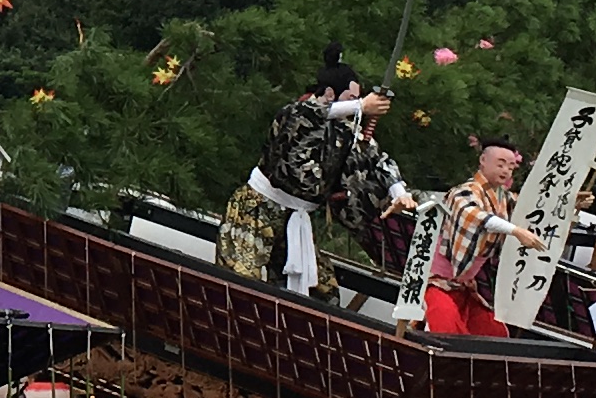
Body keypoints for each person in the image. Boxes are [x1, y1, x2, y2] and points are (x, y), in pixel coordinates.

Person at [219, 52, 398, 299]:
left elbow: (378, 160)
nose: (357, 103)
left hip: (296, 220)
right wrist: (361, 106)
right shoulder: (298, 113)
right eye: (352, 97)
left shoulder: (346, 130)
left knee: (325, 294)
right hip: (257, 210)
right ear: (330, 93)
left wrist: (399, 191)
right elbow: (306, 113)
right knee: (241, 282)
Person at [420, 141, 524, 337]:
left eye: (510, 167)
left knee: (494, 332)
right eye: (500, 164)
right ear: (483, 160)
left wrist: (571, 202)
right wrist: (515, 230)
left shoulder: (503, 197)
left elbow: (530, 209)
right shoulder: (464, 192)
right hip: (436, 281)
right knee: (445, 328)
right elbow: (472, 215)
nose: (506, 171)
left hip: (464, 285)